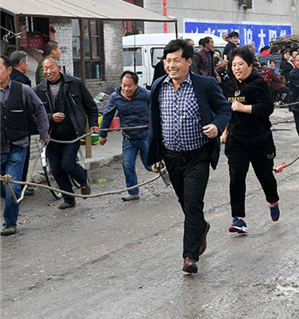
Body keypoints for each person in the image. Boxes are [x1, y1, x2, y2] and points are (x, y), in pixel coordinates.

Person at [146, 39, 231, 273]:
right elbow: (155, 123)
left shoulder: (204, 85)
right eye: (167, 60)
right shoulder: (158, 87)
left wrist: (216, 126)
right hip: (171, 157)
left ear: (188, 61)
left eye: (176, 60)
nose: (171, 65)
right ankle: (201, 227)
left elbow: (224, 109)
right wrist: (155, 154)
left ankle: (189, 256)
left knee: (193, 204)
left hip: (197, 156)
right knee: (185, 203)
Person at [220, 47, 281, 234]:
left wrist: (243, 108)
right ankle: (238, 218)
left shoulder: (259, 83)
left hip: (259, 139)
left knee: (265, 177)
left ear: (249, 65)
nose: (237, 68)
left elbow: (267, 108)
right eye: (233, 65)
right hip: (236, 140)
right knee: (236, 178)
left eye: (240, 64)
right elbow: (225, 110)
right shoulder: (228, 85)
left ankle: (273, 201)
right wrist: (224, 131)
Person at [34, 56, 98, 209]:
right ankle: (68, 199)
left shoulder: (74, 83)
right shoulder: (39, 90)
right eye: (45, 69)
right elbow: (35, 114)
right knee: (55, 169)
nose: (48, 71)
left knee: (68, 165)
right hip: (52, 137)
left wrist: (94, 124)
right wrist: (51, 117)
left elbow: (91, 106)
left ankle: (83, 179)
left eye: (51, 67)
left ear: (59, 68)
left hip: (72, 134)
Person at [0, 55, 49, 236]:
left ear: (9, 70)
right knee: (4, 190)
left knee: (12, 187)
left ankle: (10, 223)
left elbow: (39, 110)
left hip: (17, 147)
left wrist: (44, 133)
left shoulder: (23, 90)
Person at [99, 71, 152, 201]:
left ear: (136, 85)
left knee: (149, 165)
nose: (126, 89)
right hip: (128, 138)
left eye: (129, 85)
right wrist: (103, 134)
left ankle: (162, 169)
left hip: (145, 136)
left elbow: (157, 110)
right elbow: (108, 115)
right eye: (124, 85)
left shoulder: (146, 95)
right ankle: (133, 192)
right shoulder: (115, 97)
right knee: (128, 165)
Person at [8, 51, 35, 196]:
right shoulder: (22, 82)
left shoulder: (7, 78)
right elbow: (30, 105)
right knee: (22, 157)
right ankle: (19, 185)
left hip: (7, 126)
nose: (28, 64)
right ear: (21, 63)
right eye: (27, 62)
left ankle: (12, 185)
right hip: (21, 126)